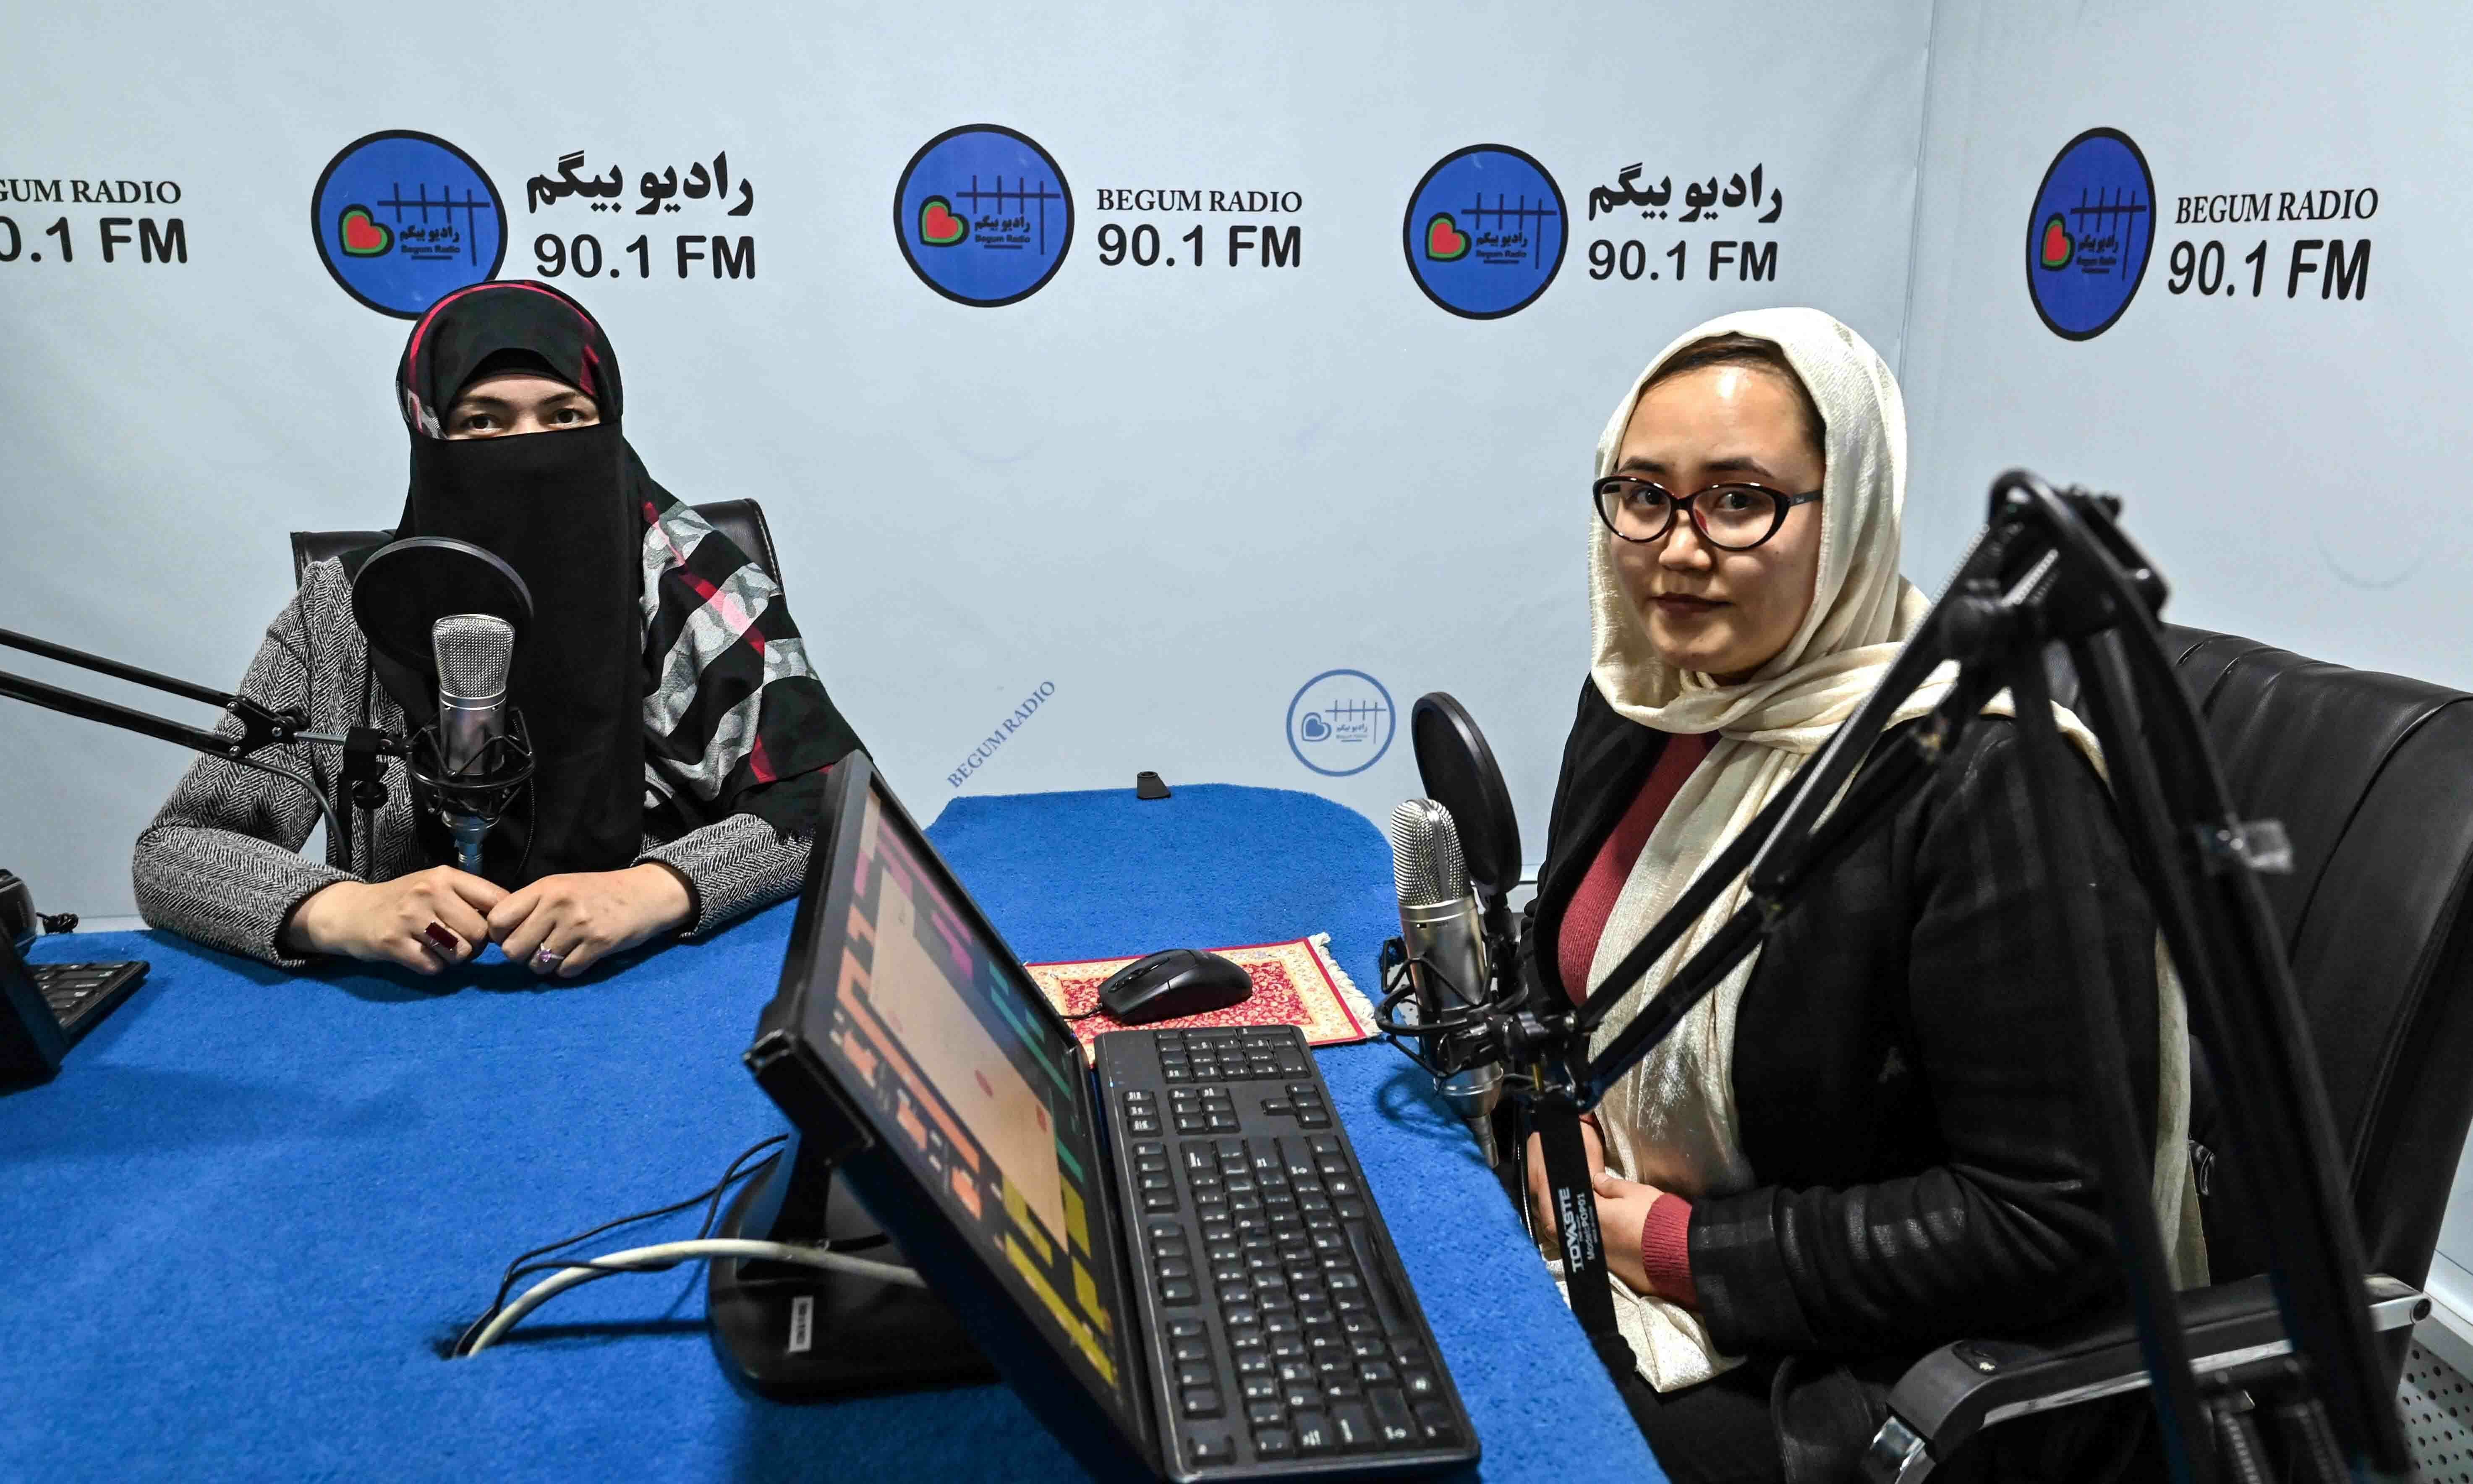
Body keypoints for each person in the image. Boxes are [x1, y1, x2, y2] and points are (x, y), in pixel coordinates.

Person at [1519, 308, 2204, 1481]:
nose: (1677, 549)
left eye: (1738, 499)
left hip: (1847, 1366)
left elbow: (2045, 1223)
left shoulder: (1981, 777)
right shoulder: (1648, 696)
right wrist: (1555, 1122)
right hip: (1613, 1242)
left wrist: (1669, 1243)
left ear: (1853, 515)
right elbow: (1561, 973)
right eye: (1642, 493)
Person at [134, 280, 864, 978]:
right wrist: (341, 910)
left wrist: (656, 890)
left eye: (565, 418)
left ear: (607, 425)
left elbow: (836, 804)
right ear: (429, 434)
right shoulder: (349, 607)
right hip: (410, 1014)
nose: (530, 450)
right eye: (482, 422)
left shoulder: (687, 580)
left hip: (652, 986)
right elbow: (176, 854)